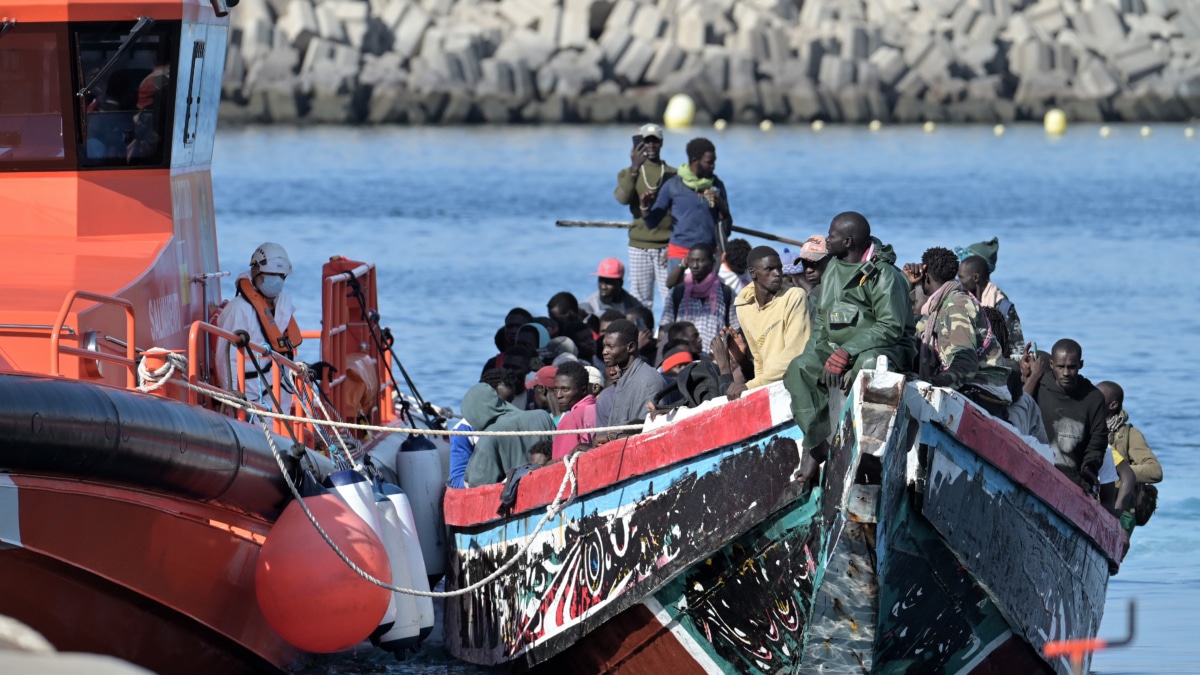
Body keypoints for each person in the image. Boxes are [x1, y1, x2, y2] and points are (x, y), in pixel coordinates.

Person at [783, 212, 917, 483]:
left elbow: (890, 327)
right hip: (836, 345)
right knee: (799, 368)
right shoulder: (832, 266)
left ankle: (870, 450)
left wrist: (845, 353)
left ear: (847, 241)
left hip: (884, 346)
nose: (827, 238)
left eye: (831, 235)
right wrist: (820, 351)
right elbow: (823, 316)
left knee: (868, 364)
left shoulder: (884, 275)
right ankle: (816, 442)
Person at [909, 247, 1010, 406]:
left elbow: (965, 363)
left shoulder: (956, 304)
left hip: (984, 387)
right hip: (970, 382)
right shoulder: (941, 305)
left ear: (926, 275)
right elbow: (909, 333)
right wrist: (907, 283)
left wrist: (930, 384)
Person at [215, 243, 303, 410]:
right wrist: (233, 400)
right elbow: (226, 359)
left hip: (278, 400)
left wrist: (307, 368)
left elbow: (284, 355)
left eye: (280, 276)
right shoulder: (238, 310)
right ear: (255, 271)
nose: (276, 280)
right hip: (251, 401)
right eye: (270, 274)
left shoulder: (282, 309)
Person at [640, 138, 731, 273]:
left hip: (708, 257)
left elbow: (727, 229)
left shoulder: (717, 185)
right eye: (709, 162)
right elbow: (652, 222)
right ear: (695, 161)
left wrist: (721, 205)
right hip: (679, 256)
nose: (713, 166)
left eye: (714, 162)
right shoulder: (673, 185)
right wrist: (644, 206)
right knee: (677, 294)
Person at [729, 246, 810, 396]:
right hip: (768, 386)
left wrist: (752, 385)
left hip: (795, 382)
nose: (777, 274)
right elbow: (758, 358)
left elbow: (795, 352)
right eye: (769, 269)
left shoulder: (794, 296)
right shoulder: (743, 307)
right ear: (753, 273)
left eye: (779, 268)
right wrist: (758, 389)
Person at [1028, 339, 1107, 489]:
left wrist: (1089, 467)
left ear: (1081, 365)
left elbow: (1098, 440)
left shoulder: (1093, 398)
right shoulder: (1039, 387)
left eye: (1071, 367)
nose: (1066, 373)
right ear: (1051, 364)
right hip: (1035, 471)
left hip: (1072, 482)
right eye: (1060, 366)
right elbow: (1021, 409)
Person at [615, 123, 677, 309]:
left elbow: (680, 212)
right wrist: (635, 168)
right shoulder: (627, 173)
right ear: (638, 145)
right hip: (639, 245)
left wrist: (674, 244)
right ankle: (643, 335)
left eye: (654, 141)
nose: (650, 145)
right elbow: (622, 198)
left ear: (661, 143)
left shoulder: (674, 174)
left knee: (671, 297)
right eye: (645, 142)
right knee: (641, 301)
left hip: (667, 245)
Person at [1097, 380, 1163, 533]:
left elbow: (1155, 471)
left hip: (1121, 512)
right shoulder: (1091, 428)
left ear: (1113, 405)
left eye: (1098, 398)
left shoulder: (1129, 435)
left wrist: (1119, 472)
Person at [462, 382, 555, 487]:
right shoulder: (542, 416)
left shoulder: (488, 438)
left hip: (517, 497)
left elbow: (476, 484)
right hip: (550, 486)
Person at [660, 243, 739, 353]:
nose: (695, 265)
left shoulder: (726, 293)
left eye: (700, 261)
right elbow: (665, 328)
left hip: (715, 361)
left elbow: (735, 329)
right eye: (691, 261)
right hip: (683, 359)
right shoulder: (678, 292)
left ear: (712, 263)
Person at [446, 368, 516, 489]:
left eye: (509, 403)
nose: (504, 409)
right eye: (499, 403)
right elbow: (457, 479)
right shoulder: (463, 430)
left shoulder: (516, 423)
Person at [594, 319, 667, 433]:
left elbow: (648, 433)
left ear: (630, 347)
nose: (604, 352)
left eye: (610, 346)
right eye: (604, 346)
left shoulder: (647, 382)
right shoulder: (623, 379)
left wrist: (610, 438)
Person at [959, 254, 1025, 358]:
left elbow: (1018, 350)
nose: (959, 283)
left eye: (961, 277)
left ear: (975, 277)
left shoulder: (1003, 307)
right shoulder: (966, 301)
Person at [552, 361, 598, 459]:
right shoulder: (601, 407)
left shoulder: (571, 419)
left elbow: (560, 464)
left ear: (583, 390)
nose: (558, 395)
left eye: (565, 389)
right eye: (556, 389)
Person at [582, 258, 646, 318]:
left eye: (609, 282)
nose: (604, 287)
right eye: (601, 281)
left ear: (620, 283)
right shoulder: (588, 307)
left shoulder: (634, 306)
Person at [482, 307, 534, 374]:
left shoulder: (539, 361)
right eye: (510, 327)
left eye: (519, 326)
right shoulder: (494, 364)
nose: (513, 331)